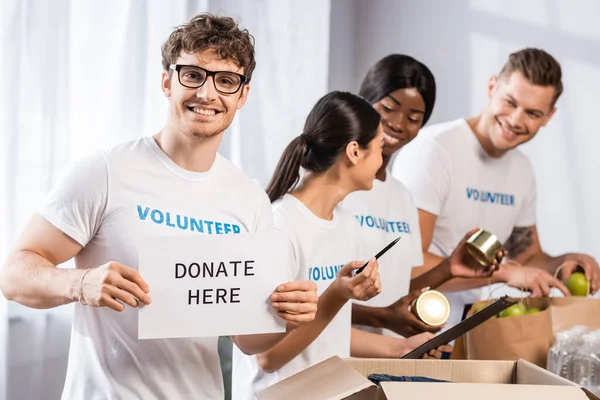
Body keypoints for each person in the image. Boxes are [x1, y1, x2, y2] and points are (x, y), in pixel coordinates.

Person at [0, 14, 318, 400]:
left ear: (242, 96)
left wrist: (287, 316)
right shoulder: (105, 171)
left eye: (226, 80)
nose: (207, 93)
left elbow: (248, 340)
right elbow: (14, 275)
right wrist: (80, 283)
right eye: (193, 75)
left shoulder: (249, 199)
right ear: (167, 81)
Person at [232, 91, 436, 400]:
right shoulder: (279, 226)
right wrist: (337, 295)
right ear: (355, 152)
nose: (382, 160)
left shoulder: (344, 223)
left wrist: (401, 348)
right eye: (379, 147)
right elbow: (268, 358)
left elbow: (329, 332)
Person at [392, 48, 600, 328]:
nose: (515, 120)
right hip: (405, 330)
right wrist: (502, 273)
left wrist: (564, 265)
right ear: (492, 86)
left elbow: (527, 257)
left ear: (549, 117)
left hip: (465, 333)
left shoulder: (522, 170)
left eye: (532, 113)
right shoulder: (434, 151)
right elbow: (407, 263)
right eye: (510, 102)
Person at [343, 54, 504, 338]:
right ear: (363, 103)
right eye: (388, 109)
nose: (398, 124)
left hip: (388, 359)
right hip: (332, 359)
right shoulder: (335, 186)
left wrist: (448, 268)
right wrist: (382, 318)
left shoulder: (402, 197)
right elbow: (312, 295)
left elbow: (399, 285)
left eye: (414, 118)